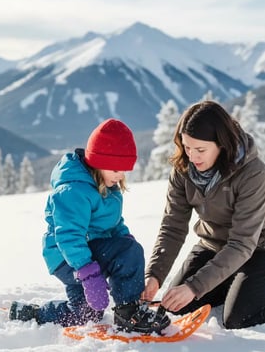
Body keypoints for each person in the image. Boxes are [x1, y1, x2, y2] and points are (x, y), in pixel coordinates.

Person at [142, 100, 265, 329]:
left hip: (262, 248)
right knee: (177, 306)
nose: (192, 156)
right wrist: (154, 275)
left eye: (200, 150)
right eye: (187, 147)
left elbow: (242, 244)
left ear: (221, 144)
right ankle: (232, 281)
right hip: (214, 245)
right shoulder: (183, 170)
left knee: (238, 318)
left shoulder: (253, 175)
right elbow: (173, 226)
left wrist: (195, 286)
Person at [9, 118, 170, 333]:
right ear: (97, 162)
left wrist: (124, 239)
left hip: (89, 252)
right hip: (68, 257)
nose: (120, 175)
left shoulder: (108, 185)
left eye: (124, 170)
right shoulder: (74, 191)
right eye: (116, 170)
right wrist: (88, 273)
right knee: (128, 251)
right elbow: (68, 236)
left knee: (85, 314)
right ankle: (128, 314)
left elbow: (113, 224)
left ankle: (35, 314)